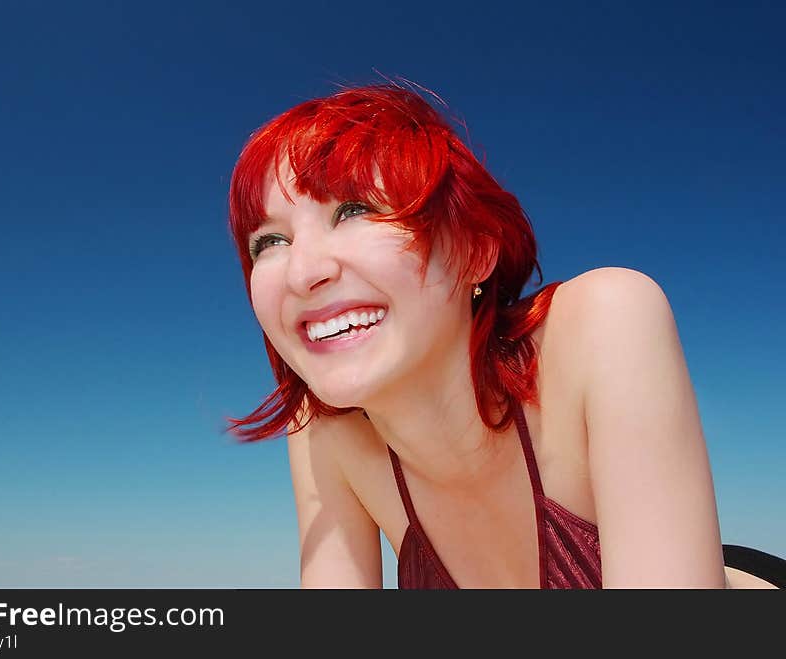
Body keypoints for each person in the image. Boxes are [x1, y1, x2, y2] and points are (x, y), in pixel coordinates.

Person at [224, 83, 784, 589]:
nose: (303, 273)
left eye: (353, 210)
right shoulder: (324, 430)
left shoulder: (602, 320)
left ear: (474, 251)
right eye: (268, 243)